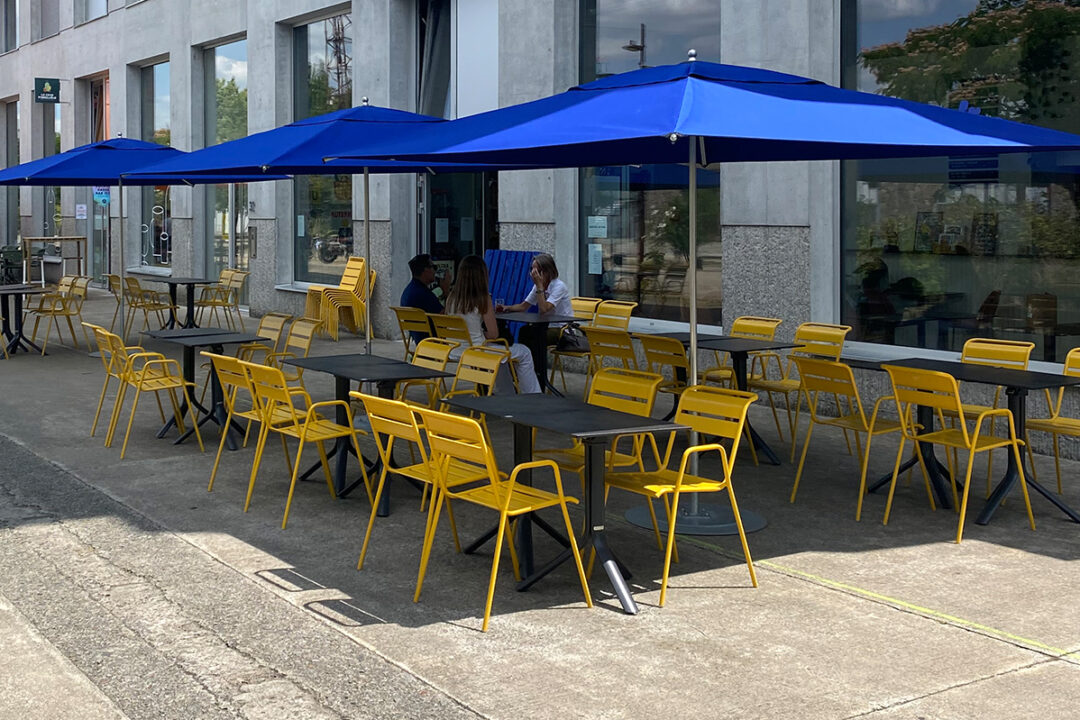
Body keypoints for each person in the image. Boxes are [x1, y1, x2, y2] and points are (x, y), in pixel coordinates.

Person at [445, 255, 541, 394]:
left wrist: (473, 332)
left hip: (455, 349)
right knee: (524, 352)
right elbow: (493, 334)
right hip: (477, 350)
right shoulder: (483, 298)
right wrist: (479, 333)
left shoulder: (451, 298)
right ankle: (533, 395)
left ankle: (507, 394)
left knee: (500, 357)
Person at [497, 253, 572, 317]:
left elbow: (544, 309)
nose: (534, 274)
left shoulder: (559, 286)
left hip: (561, 326)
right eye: (532, 270)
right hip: (546, 325)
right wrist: (507, 308)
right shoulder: (537, 286)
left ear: (547, 271)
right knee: (524, 330)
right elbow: (523, 306)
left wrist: (539, 285)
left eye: (537, 271)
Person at [400, 254, 452, 343]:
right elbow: (445, 318)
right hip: (433, 340)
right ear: (425, 270)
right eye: (433, 267)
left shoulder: (409, 291)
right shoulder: (423, 294)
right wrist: (446, 291)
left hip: (419, 340)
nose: (435, 271)